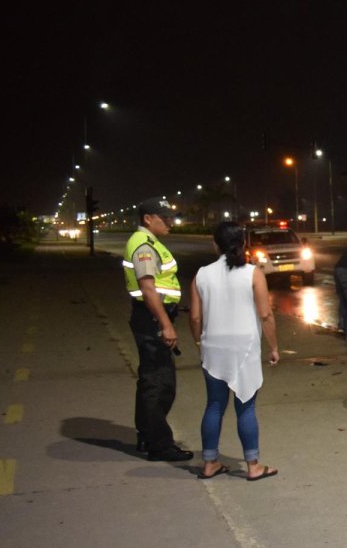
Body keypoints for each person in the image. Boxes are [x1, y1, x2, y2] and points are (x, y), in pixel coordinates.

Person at [188, 222, 280, 481]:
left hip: (213, 347)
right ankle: (253, 466)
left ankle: (209, 463)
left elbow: (195, 318)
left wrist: (200, 343)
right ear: (243, 244)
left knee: (214, 405)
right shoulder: (253, 274)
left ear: (214, 244)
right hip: (245, 348)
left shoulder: (201, 275)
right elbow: (265, 314)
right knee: (246, 406)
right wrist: (273, 347)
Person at [122, 197, 192, 461]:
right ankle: (160, 445)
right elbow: (148, 288)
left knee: (151, 380)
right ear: (148, 218)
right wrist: (165, 324)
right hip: (151, 320)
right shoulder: (143, 246)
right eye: (165, 218)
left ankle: (147, 436)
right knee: (160, 383)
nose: (170, 222)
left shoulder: (149, 243)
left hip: (150, 318)